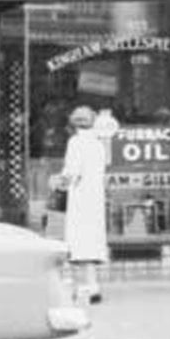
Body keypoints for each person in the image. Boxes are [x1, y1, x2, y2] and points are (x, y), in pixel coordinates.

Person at [55, 104, 108, 304]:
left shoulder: (76, 142)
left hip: (80, 196)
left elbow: (71, 171)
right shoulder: (98, 143)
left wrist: (59, 182)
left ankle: (84, 287)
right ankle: (92, 285)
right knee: (91, 241)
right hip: (95, 196)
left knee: (79, 241)